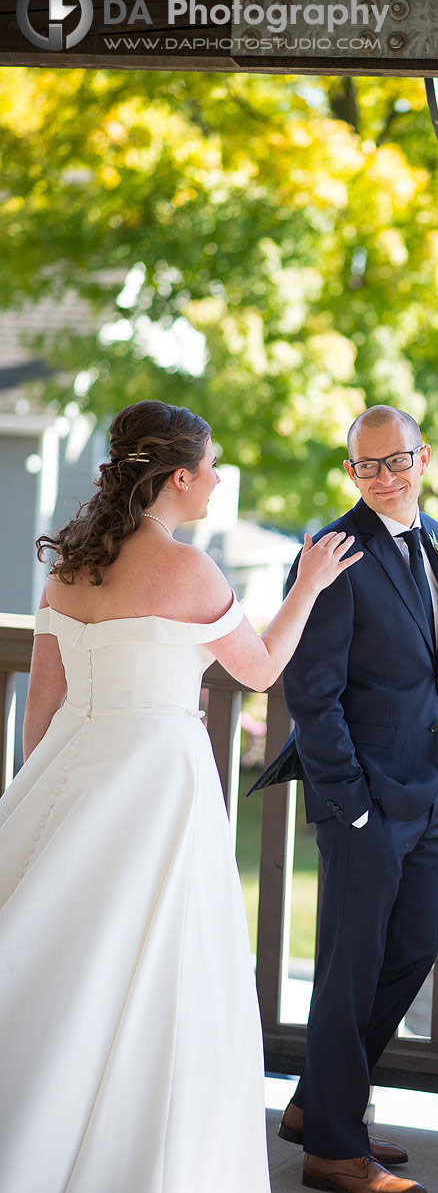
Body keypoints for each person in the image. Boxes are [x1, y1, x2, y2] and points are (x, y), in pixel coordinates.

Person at [0, 399, 361, 1193]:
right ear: (176, 477)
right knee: (157, 968)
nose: (219, 479)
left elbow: (42, 712)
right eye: (212, 467)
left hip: (72, 772)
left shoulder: (68, 566)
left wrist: (47, 800)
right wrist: (306, 586)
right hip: (160, 786)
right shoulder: (191, 569)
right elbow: (261, 670)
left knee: (57, 951)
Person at [251, 405, 438, 1193]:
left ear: (425, 456)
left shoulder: (436, 540)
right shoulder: (332, 552)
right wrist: (349, 802)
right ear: (350, 471)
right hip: (364, 803)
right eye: (367, 465)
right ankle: (333, 1151)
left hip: (428, 788)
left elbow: (422, 664)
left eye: (398, 461)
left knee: (411, 951)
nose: (385, 477)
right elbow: (311, 693)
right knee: (349, 969)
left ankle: (320, 1107)